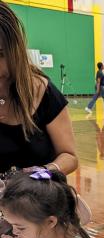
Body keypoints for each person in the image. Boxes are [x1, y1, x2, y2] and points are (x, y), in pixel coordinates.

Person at [0, 1, 78, 176]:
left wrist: (40, 173)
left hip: (38, 200)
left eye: (1, 54)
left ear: (16, 51)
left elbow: (70, 157)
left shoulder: (43, 92)